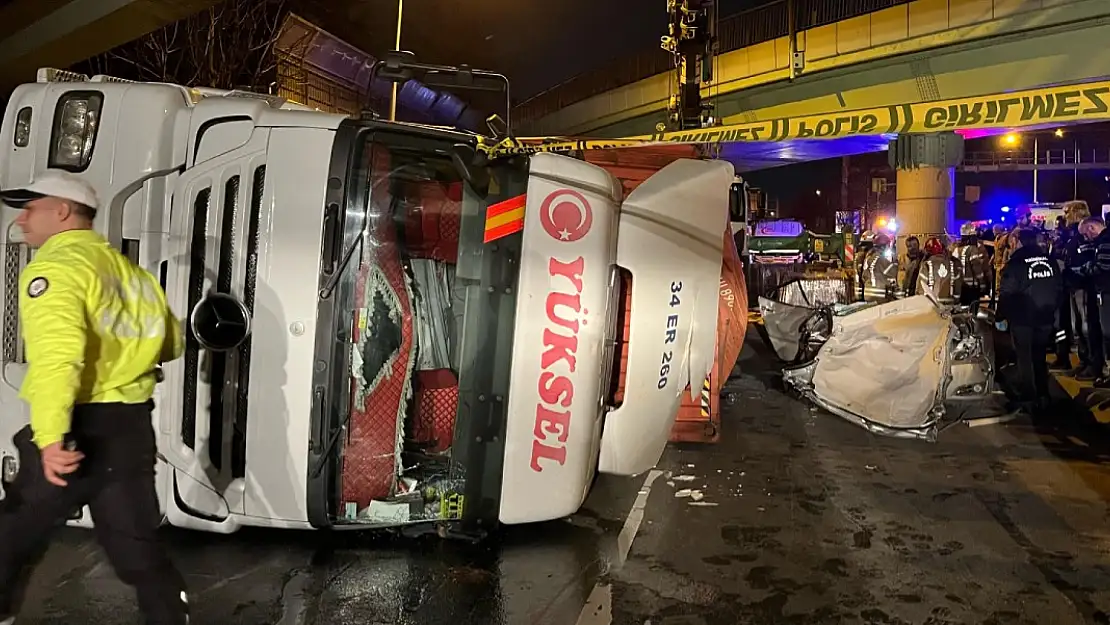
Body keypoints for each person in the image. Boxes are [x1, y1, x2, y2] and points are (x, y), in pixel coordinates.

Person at [0, 171, 189, 625]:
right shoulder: (131, 274)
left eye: (32, 207)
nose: (21, 219)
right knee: (137, 551)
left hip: (78, 430)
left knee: (12, 534)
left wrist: (50, 438)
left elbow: (57, 360)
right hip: (130, 429)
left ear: (62, 211)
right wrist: (128, 359)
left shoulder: (55, 269)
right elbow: (172, 342)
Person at [997, 228, 1061, 414]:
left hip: (1023, 318)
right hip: (1045, 316)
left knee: (1024, 358)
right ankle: (1043, 394)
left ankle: (1028, 396)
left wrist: (1001, 316)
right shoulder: (1050, 261)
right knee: (1040, 356)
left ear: (1019, 242)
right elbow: (1059, 286)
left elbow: (1006, 293)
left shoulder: (1016, 264)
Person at [1073, 216, 1110, 386]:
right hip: (1103, 291)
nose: (1086, 239)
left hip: (1106, 292)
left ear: (1092, 228)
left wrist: (1081, 269)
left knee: (1107, 333)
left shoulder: (1105, 241)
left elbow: (1102, 266)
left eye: (1086, 235)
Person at [954, 223, 990, 310]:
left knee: (963, 311)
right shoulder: (972, 250)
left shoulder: (956, 250)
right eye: (974, 236)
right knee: (972, 312)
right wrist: (983, 284)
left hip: (960, 287)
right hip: (972, 288)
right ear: (970, 237)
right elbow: (977, 269)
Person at [916, 236, 961, 304]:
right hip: (950, 305)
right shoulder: (952, 264)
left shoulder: (926, 265)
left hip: (932, 306)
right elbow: (957, 286)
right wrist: (956, 301)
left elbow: (920, 287)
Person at [862, 232, 899, 302]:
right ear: (884, 246)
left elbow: (864, 277)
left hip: (867, 294)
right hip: (880, 296)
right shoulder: (882, 260)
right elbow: (893, 276)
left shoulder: (868, 258)